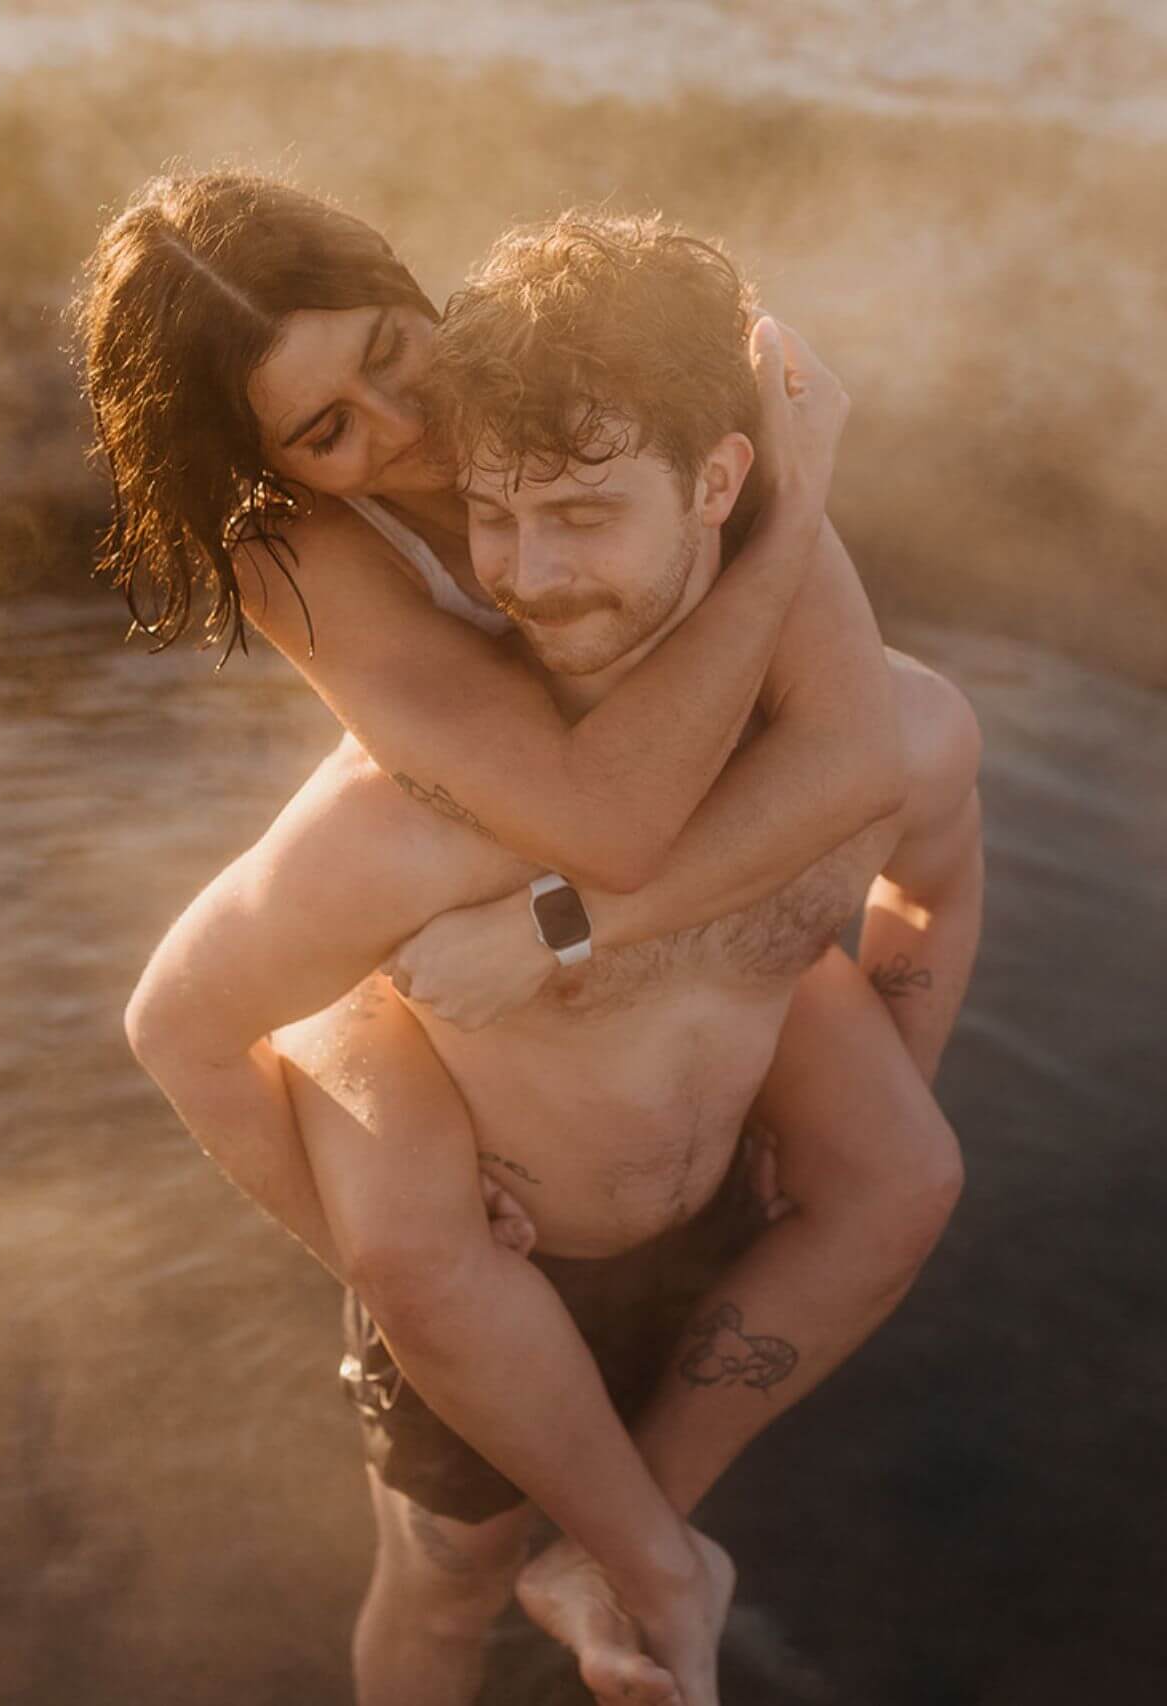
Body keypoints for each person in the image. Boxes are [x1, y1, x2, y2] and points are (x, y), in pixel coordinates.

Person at [112, 201, 982, 1706]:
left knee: (900, 1171)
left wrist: (769, 500)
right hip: (457, 960)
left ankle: (629, 1546)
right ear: (276, 468)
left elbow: (852, 762)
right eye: (327, 426)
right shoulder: (304, 553)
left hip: (620, 976)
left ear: (413, 286)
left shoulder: (617, 407)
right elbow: (607, 817)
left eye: (395, 352)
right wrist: (421, 1279)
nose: (405, 427)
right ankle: (646, 1563)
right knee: (445, 1565)